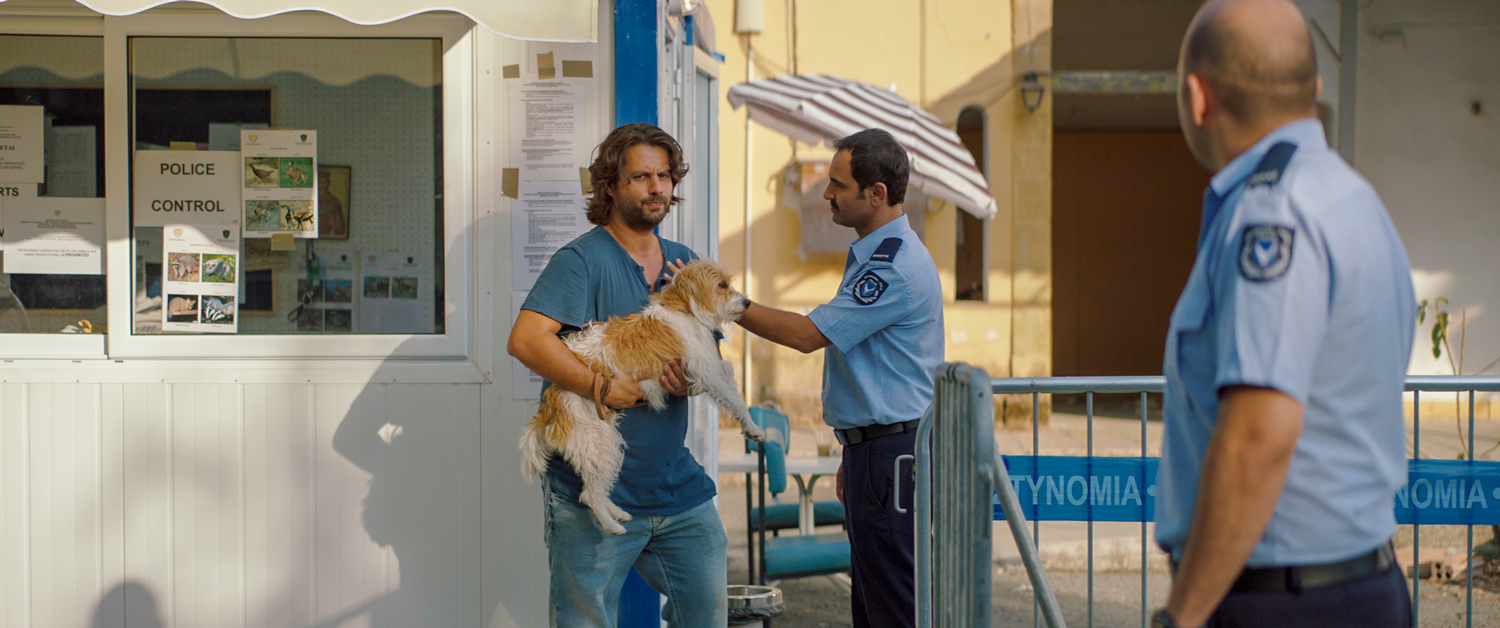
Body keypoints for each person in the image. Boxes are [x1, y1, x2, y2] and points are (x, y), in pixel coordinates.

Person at [1152, 1, 1415, 627]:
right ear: (1313, 89)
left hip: (1282, 601)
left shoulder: (1272, 214)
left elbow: (1256, 438)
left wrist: (1181, 618)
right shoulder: (1352, 196)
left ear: (1197, 97)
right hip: (1353, 586)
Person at [506, 123, 726, 627]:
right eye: (642, 177)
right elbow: (525, 340)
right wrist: (602, 387)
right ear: (611, 186)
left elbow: (706, 358)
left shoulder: (685, 263)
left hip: (674, 483)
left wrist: (689, 381)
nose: (657, 188)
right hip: (593, 490)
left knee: (708, 613)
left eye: (665, 176)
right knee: (586, 620)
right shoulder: (581, 261)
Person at [737, 128, 943, 628]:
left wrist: (727, 304)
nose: (826, 194)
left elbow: (809, 335)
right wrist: (855, 453)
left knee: (892, 607)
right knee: (872, 602)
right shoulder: (877, 253)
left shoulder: (893, 267)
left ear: (877, 194)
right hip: (875, 450)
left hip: (889, 452)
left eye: (837, 184)